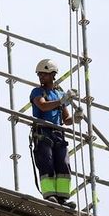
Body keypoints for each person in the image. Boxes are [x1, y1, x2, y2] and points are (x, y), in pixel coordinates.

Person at [29, 59, 76, 208]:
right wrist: (62, 101)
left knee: (63, 164)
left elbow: (66, 119)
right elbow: (42, 106)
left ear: (53, 74)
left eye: (44, 74)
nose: (41, 77)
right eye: (40, 74)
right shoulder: (37, 92)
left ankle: (62, 198)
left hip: (58, 133)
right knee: (46, 162)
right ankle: (50, 195)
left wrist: (77, 117)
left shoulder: (58, 94)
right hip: (43, 132)